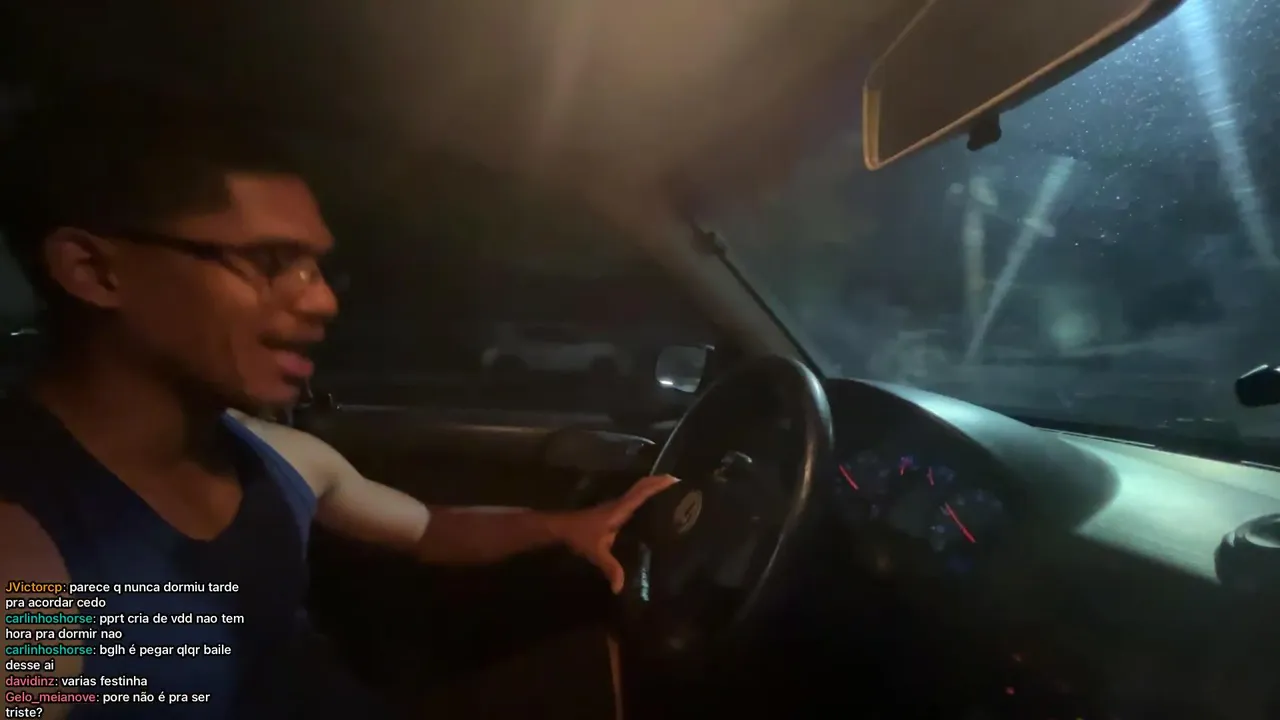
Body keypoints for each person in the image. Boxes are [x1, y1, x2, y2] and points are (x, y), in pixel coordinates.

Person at [0, 93, 675, 719]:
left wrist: (565, 528)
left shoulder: (276, 456)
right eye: (271, 260)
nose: (323, 300)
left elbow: (428, 529)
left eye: (317, 267)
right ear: (94, 270)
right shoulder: (27, 553)